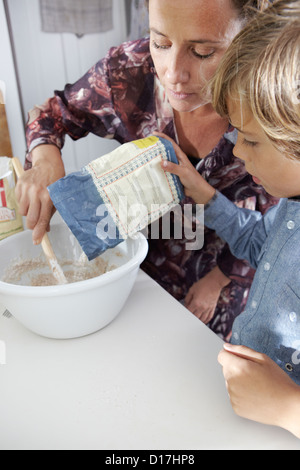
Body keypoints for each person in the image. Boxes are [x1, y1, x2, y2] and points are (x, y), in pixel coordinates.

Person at [18, 0, 277, 340]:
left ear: (249, 35)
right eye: (161, 43)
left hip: (223, 284)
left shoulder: (273, 99)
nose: (173, 74)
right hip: (138, 275)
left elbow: (281, 225)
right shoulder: (131, 71)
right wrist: (45, 159)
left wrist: (218, 281)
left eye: (202, 52)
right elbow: (55, 113)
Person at [161, 0, 300, 438]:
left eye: (253, 142)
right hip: (244, 412)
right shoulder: (291, 204)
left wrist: (289, 409)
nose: (237, 152)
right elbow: (262, 246)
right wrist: (208, 197)